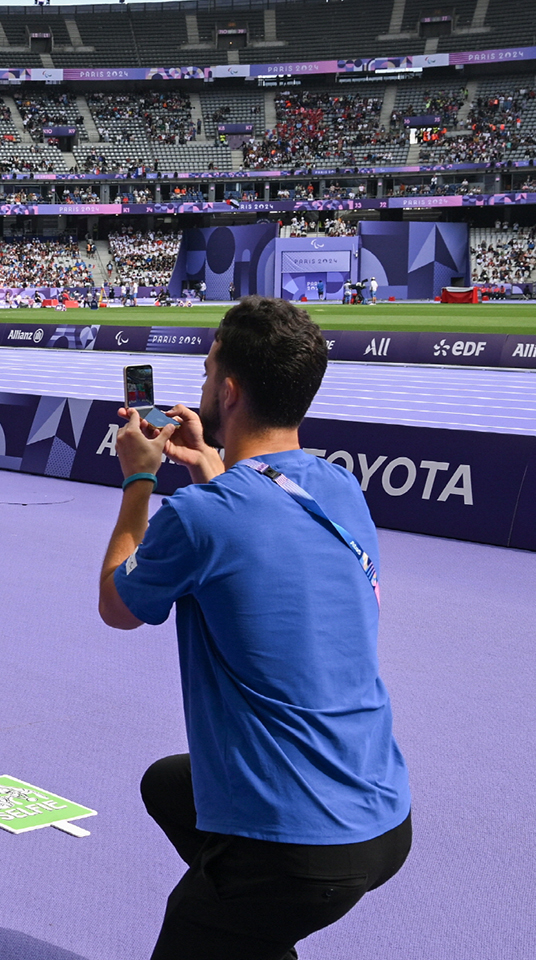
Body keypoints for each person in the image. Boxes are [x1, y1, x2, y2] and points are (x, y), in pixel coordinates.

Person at [97, 296, 412, 959]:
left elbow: (117, 605)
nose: (204, 383)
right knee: (170, 786)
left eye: (209, 370)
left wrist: (140, 479)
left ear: (230, 391)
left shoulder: (199, 517)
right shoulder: (338, 488)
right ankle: (253, 926)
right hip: (384, 816)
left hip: (303, 846)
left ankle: (253, 914)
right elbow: (263, 517)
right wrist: (210, 463)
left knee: (213, 921)